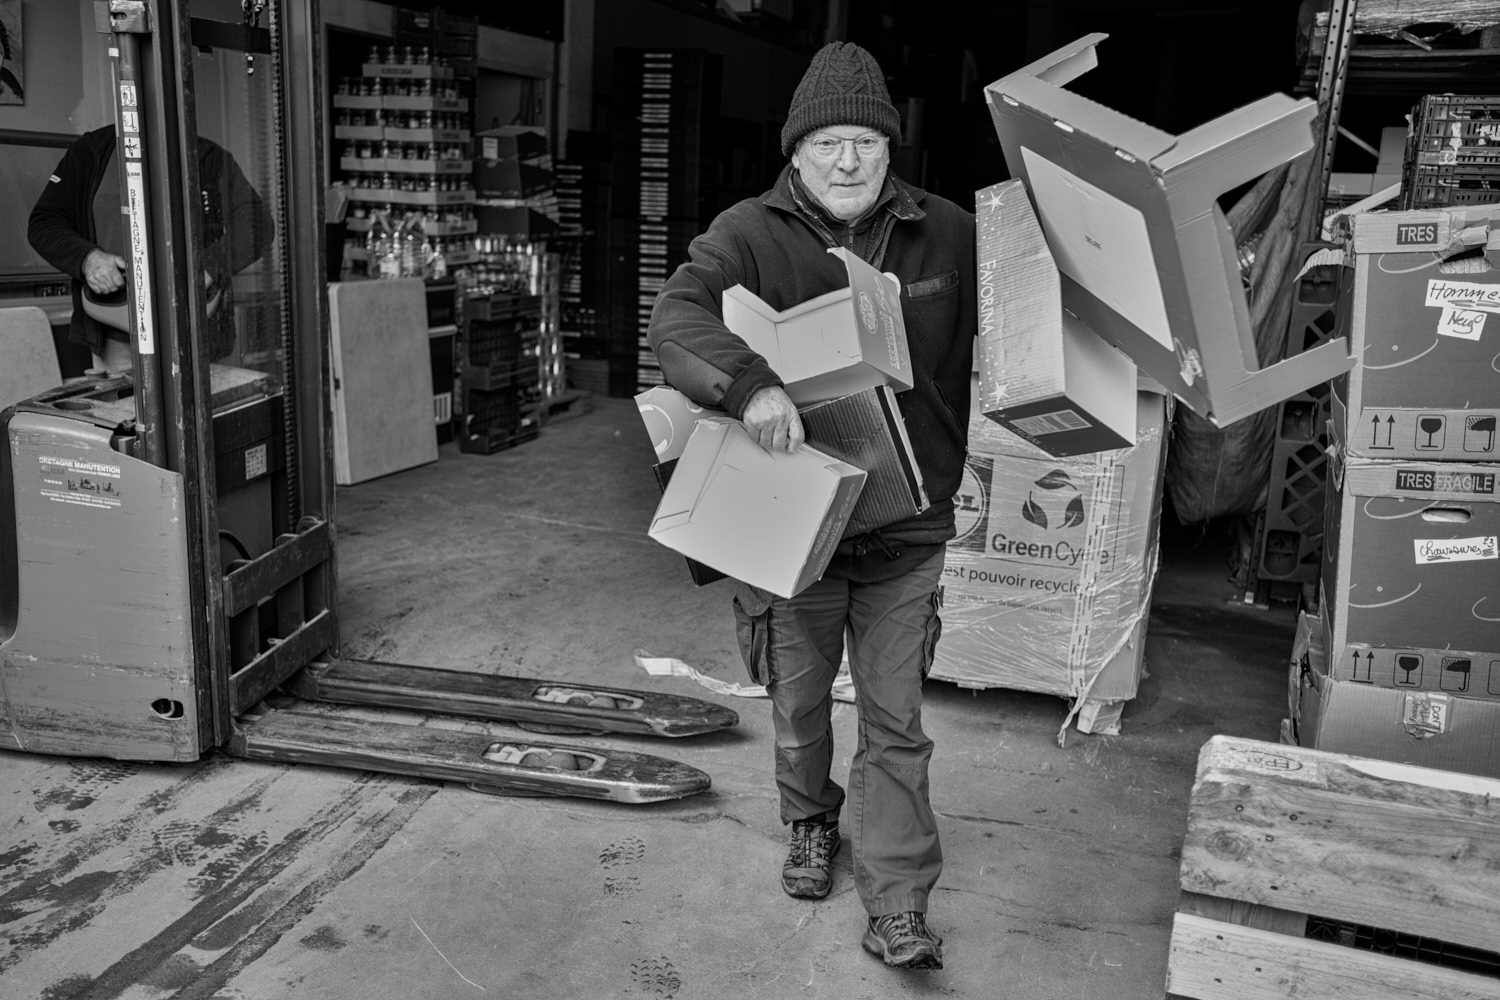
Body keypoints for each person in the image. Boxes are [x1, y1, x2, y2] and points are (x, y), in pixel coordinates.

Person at [647, 41, 975, 970]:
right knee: (797, 705)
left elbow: (1038, 318)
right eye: (828, 141)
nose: (846, 160)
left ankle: (901, 899)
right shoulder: (748, 232)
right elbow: (676, 318)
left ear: (889, 148)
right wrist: (750, 385)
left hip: (907, 526)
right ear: (797, 150)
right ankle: (808, 822)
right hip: (797, 531)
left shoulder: (948, 233)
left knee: (896, 720)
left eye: (865, 142)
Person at [28, 125, 272, 372]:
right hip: (114, 337)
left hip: (197, 335)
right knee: (123, 409)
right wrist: (89, 259)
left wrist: (208, 267)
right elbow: (45, 222)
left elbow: (258, 225)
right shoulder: (91, 152)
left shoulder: (208, 156)